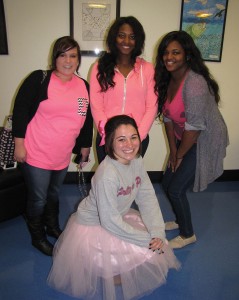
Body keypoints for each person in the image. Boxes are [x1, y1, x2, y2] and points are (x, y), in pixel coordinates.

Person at [47, 115, 180, 300]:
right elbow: (110, 222)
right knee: (118, 270)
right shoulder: (107, 175)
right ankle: (86, 261)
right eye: (121, 139)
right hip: (95, 224)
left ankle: (105, 267)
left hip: (118, 214)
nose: (130, 144)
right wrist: (147, 240)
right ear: (110, 142)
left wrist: (157, 231)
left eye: (133, 137)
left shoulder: (137, 160)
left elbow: (147, 196)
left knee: (141, 252)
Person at [12, 36, 93, 256]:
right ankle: (37, 237)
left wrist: (85, 147)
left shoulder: (82, 86)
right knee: (39, 197)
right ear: (55, 57)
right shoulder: (40, 79)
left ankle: (52, 227)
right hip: (36, 151)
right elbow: (20, 111)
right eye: (63, 55)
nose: (68, 60)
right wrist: (19, 144)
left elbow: (85, 119)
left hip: (62, 153)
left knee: (54, 193)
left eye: (73, 55)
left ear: (78, 59)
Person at [154, 31, 229, 249]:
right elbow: (167, 118)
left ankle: (188, 234)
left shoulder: (194, 83)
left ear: (187, 55)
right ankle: (180, 219)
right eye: (166, 53)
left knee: (176, 189)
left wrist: (180, 155)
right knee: (168, 182)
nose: (169, 57)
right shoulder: (168, 79)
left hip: (203, 140)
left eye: (176, 52)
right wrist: (172, 151)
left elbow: (195, 128)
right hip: (184, 138)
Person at [90, 16, 157, 163]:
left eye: (132, 37)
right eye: (121, 36)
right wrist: (109, 136)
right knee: (107, 181)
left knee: (130, 181)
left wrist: (138, 136)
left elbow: (152, 106)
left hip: (137, 137)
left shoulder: (147, 69)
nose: (126, 41)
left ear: (137, 40)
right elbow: (96, 105)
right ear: (114, 38)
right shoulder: (99, 67)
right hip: (107, 137)